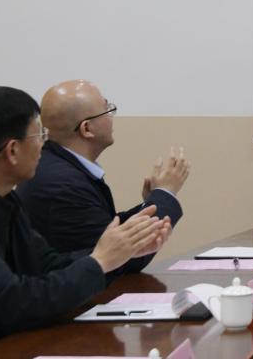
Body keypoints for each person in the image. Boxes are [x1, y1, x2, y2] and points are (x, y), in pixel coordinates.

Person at [0, 86, 169, 340]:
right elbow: (12, 303)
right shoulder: (52, 182)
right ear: (12, 151)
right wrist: (99, 262)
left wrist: (119, 252)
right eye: (39, 135)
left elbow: (46, 265)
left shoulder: (7, 200)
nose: (44, 145)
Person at [16, 80, 189, 273]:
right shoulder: (62, 184)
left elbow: (108, 231)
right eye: (107, 109)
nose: (111, 116)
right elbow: (122, 258)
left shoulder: (59, 167)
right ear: (87, 129)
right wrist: (165, 192)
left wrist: (151, 203)